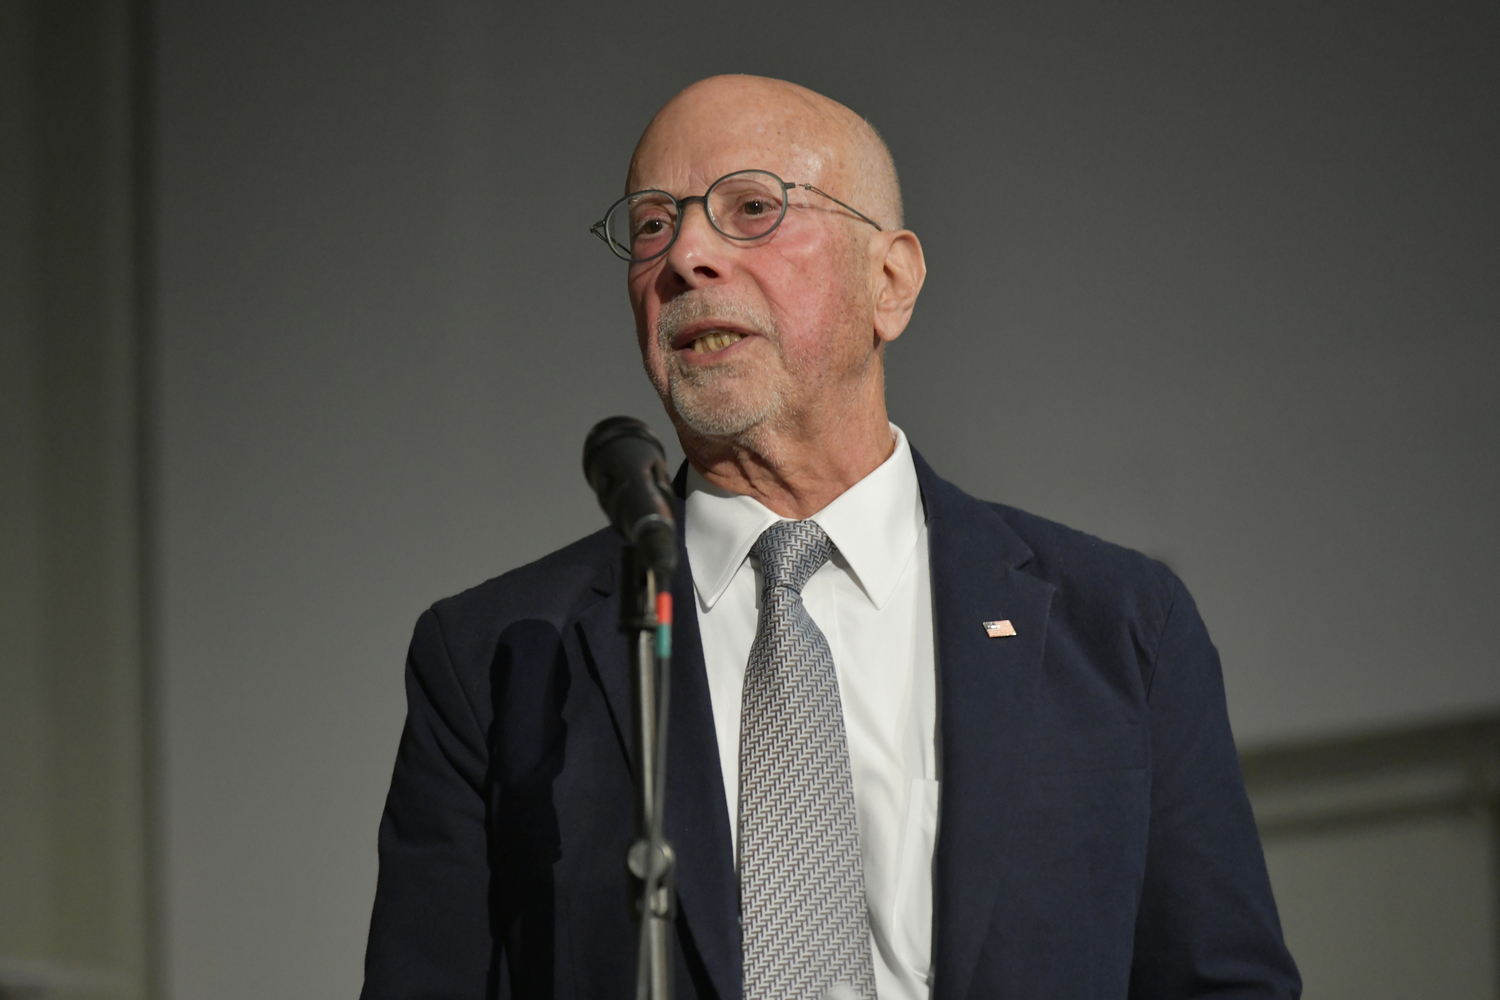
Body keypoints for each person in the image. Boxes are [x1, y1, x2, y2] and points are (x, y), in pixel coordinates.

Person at [361, 75, 1301, 1000]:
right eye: (653, 224)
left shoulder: (1120, 628)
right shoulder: (499, 659)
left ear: (889, 280)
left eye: (752, 208)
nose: (686, 255)